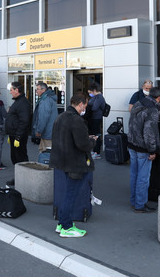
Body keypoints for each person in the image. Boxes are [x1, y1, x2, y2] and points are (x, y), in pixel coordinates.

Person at [50, 92, 96, 238]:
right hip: (75, 163)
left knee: (67, 194)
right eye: (85, 106)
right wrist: (93, 141)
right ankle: (67, 227)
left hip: (62, 161)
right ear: (81, 104)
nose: (85, 109)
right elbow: (83, 144)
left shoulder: (61, 117)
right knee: (71, 195)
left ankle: (62, 223)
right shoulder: (76, 120)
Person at [127, 87, 160, 213]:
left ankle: (134, 202)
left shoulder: (138, 103)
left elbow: (131, 124)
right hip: (143, 148)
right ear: (159, 97)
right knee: (143, 178)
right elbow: (149, 132)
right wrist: (152, 151)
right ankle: (140, 205)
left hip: (132, 144)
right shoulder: (152, 110)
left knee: (134, 175)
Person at [4, 81, 31, 187]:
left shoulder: (23, 103)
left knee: (21, 158)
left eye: (11, 90)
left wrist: (18, 137)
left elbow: (24, 121)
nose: (10, 92)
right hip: (14, 135)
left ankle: (24, 179)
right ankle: (18, 178)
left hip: (18, 136)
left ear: (17, 90)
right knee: (15, 158)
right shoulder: (18, 102)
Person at [32, 82, 57, 155]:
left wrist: (39, 130)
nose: (36, 91)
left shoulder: (45, 100)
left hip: (47, 134)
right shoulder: (49, 98)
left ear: (43, 90)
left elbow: (43, 117)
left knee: (46, 155)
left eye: (37, 89)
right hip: (50, 132)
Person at [87, 83, 106, 159]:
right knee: (93, 134)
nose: (90, 94)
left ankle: (97, 152)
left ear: (94, 91)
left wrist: (88, 106)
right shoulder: (95, 97)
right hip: (93, 118)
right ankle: (94, 150)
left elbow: (94, 108)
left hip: (97, 118)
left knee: (96, 135)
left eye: (90, 92)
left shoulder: (99, 98)